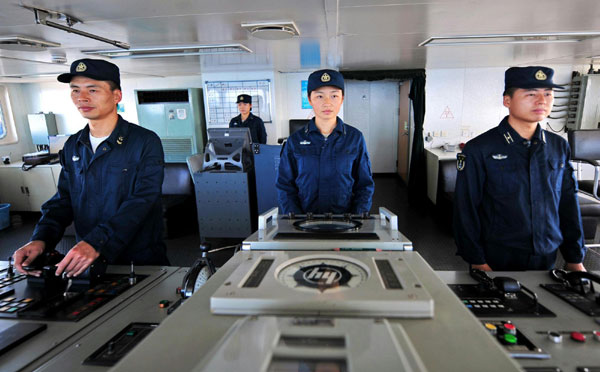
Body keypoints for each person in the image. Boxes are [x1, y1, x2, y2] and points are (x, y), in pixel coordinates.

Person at [13, 58, 169, 278]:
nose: (81, 98)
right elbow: (63, 200)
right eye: (75, 90)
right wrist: (41, 238)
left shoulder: (144, 142)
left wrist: (97, 242)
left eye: (92, 90)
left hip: (138, 259)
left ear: (117, 96)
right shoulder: (73, 145)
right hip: (85, 261)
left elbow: (142, 201)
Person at [453, 66, 586, 271]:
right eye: (531, 94)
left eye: (548, 94)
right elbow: (465, 208)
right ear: (507, 100)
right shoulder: (480, 149)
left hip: (546, 255)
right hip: (496, 256)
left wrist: (575, 258)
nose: (542, 101)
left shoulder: (558, 146)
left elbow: (568, 202)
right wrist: (477, 260)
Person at [276, 69, 374, 214]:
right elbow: (285, 186)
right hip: (304, 223)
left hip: (345, 223)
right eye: (319, 96)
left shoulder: (355, 138)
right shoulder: (295, 141)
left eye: (334, 96)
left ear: (342, 99)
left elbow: (365, 185)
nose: (327, 103)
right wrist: (295, 221)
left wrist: (357, 219)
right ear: (310, 99)